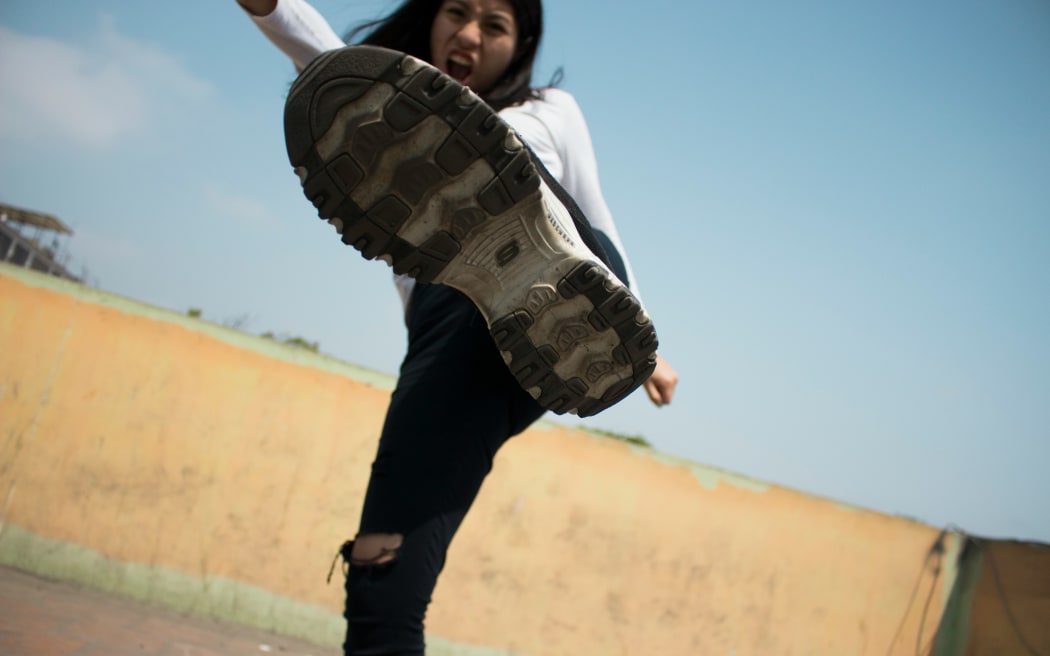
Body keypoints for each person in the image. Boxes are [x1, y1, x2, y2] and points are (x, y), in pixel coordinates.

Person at [237, 0, 679, 653]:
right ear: (433, 17)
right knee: (380, 577)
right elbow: (332, 67)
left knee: (539, 200)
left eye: (494, 25)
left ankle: (529, 242)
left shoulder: (551, 110)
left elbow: (600, 215)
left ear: (520, 42)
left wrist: (645, 338)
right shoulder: (394, 104)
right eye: (458, 13)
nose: (469, 35)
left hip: (556, 301)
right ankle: (506, 248)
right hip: (452, 351)